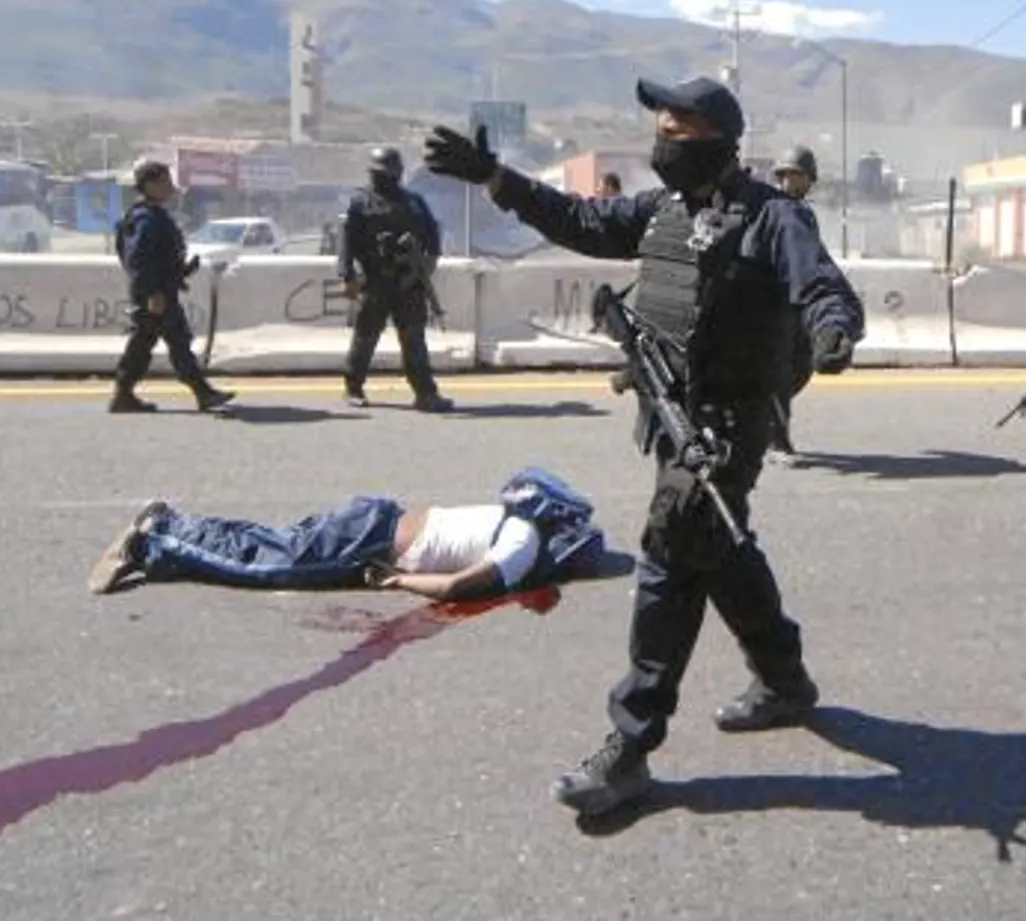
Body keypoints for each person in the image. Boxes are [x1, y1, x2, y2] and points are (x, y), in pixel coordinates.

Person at [421, 75, 866, 817]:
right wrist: (497, 178)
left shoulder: (771, 217)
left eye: (678, 126)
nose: (663, 135)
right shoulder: (663, 212)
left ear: (719, 139)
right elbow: (580, 220)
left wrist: (833, 332)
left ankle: (629, 746)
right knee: (719, 548)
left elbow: (822, 286)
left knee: (670, 558)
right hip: (669, 414)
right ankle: (785, 680)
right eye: (658, 124)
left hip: (725, 428)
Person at [87, 467, 606, 602]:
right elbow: (454, 587)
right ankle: (156, 534)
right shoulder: (523, 544)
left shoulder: (512, 522)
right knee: (267, 566)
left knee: (270, 546)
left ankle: (171, 548)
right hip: (371, 544)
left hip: (374, 521)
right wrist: (398, 584)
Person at [108, 159, 235, 415]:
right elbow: (138, 259)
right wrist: (154, 292)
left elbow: (158, 257)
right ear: (150, 185)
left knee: (145, 343)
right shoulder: (145, 218)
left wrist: (181, 270)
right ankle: (201, 392)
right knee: (174, 341)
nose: (170, 186)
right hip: (154, 293)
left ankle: (124, 394)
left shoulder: (150, 215)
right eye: (164, 181)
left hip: (159, 290)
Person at [336, 147, 452, 413]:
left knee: (414, 339)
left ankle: (425, 393)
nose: (382, 178)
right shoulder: (360, 203)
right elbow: (347, 244)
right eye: (378, 173)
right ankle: (353, 387)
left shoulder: (414, 203)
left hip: (408, 283)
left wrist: (422, 272)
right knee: (365, 337)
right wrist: (348, 276)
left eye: (387, 173)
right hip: (375, 281)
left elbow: (433, 242)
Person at [765, 145, 854, 463]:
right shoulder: (772, 208)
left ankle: (765, 424)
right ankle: (777, 441)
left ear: (809, 179)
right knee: (779, 370)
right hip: (773, 303)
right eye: (785, 174)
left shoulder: (802, 213)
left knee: (801, 368)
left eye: (797, 174)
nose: (790, 180)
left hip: (797, 303)